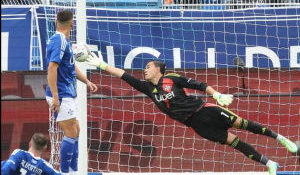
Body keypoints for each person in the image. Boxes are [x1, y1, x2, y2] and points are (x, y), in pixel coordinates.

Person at [86, 51, 298, 175]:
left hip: (206, 111)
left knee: (244, 124)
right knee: (234, 142)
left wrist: (216, 95)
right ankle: (269, 164)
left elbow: (199, 84)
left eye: (148, 66)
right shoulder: (147, 89)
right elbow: (123, 75)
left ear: (158, 69)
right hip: (195, 125)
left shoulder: (172, 78)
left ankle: (282, 139)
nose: (145, 69)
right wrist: (102, 65)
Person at [45, 10, 98, 175]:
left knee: (77, 130)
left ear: (56, 23)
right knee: (70, 131)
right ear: (72, 24)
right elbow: (51, 68)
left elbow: (71, 65)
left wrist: (87, 81)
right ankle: (65, 172)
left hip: (68, 93)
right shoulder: (59, 41)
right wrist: (55, 96)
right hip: (60, 94)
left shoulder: (65, 42)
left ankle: (75, 170)